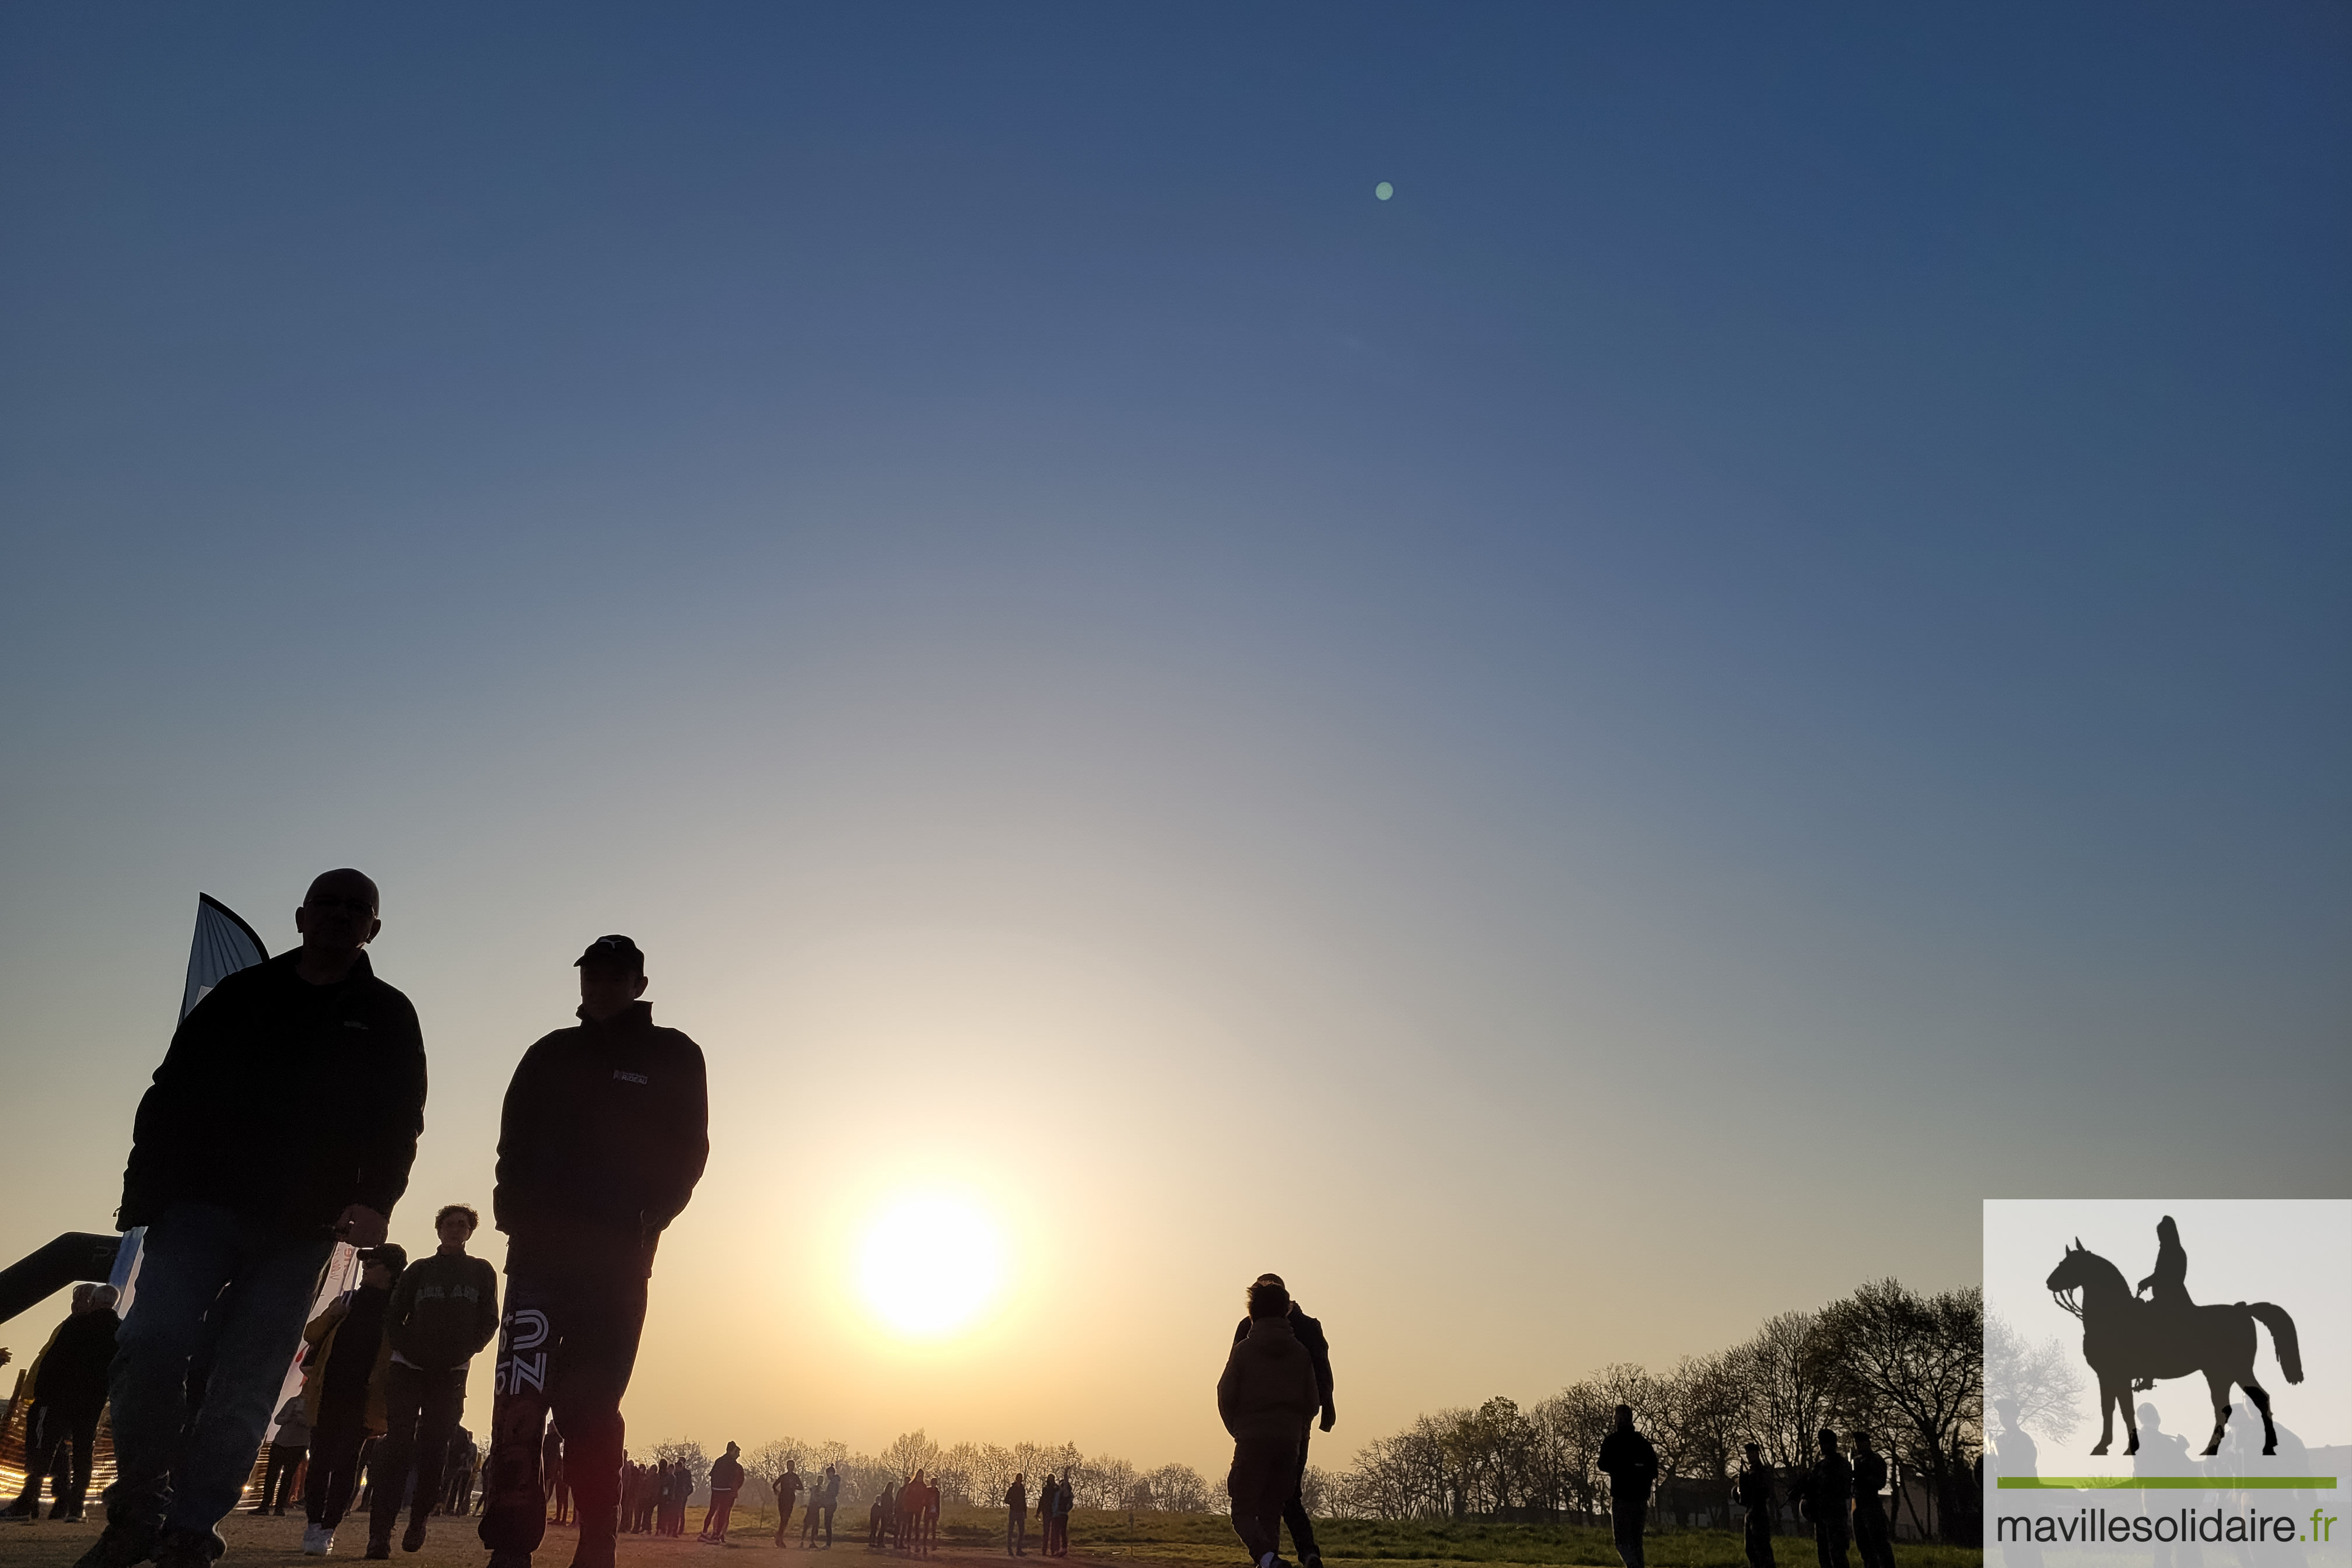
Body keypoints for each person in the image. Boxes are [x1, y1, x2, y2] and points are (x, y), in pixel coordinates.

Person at [78, 870, 427, 1568]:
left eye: (356, 909)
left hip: (303, 1231)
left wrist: (377, 1201)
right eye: (326, 904)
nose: (338, 915)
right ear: (301, 916)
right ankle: (138, 1508)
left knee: (248, 1383)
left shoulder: (388, 1014)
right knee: (148, 1347)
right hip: (199, 1209)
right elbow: (170, 1090)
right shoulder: (243, 996)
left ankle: (190, 1529)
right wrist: (143, 1189)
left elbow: (399, 1122)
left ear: (374, 929)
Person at [477, 935, 710, 1568]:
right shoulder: (549, 1053)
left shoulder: (675, 1055)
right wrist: (511, 1209)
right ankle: (510, 1542)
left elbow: (690, 1150)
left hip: (617, 1259)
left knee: (589, 1405)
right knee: (520, 1401)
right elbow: (513, 1140)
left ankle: (598, 1536)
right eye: (591, 977)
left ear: (637, 983)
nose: (600, 988)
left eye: (614, 978)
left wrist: (648, 1216)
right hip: (538, 1256)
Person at [366, 1205, 501, 1556]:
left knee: (434, 1448)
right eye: (449, 1224)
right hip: (409, 1368)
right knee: (397, 1445)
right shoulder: (419, 1271)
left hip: (451, 1372)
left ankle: (419, 1519)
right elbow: (395, 1316)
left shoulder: (481, 1271)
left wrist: (464, 1352)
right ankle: (380, 1532)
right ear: (438, 1229)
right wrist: (408, 1350)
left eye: (463, 1225)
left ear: (470, 1232)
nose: (456, 1230)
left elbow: (490, 1319)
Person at [303, 1246, 407, 1555]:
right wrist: (334, 1313)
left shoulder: (398, 1311)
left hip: (364, 1399)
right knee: (319, 1461)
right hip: (329, 1392)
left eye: (373, 1264)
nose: (365, 1268)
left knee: (347, 1463)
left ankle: (328, 1527)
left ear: (389, 1271)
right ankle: (312, 1523)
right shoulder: (347, 1300)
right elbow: (311, 1334)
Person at [1230, 1274, 1336, 1568]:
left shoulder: (1247, 1331)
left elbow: (1230, 1382)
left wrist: (1237, 1426)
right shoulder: (1308, 1330)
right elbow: (1320, 1376)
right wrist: (1319, 1413)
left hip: (1256, 1431)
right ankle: (1304, 1554)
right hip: (1294, 1430)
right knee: (1284, 1496)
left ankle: (1269, 1558)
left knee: (1252, 1502)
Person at [8, 1283, 121, 1522]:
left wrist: (42, 1394)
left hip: (59, 1399)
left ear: (92, 1301)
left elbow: (52, 1361)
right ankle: (76, 1507)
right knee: (83, 1453)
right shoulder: (119, 1331)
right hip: (92, 1403)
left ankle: (28, 1502)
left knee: (43, 1449)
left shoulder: (75, 1325)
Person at [1597, 1405, 1660, 1568]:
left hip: (1621, 1496)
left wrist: (1621, 1468)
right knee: (1637, 1542)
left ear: (1618, 1419)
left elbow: (1602, 1464)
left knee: (1622, 1542)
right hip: (1640, 1499)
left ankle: (1632, 1566)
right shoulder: (1643, 1443)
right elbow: (1654, 1469)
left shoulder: (1612, 1441)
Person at [1798, 1430, 1852, 1568]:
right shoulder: (1819, 1466)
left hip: (1835, 1517)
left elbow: (1844, 1490)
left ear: (1831, 1444)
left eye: (1823, 1443)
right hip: (1820, 1516)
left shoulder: (1842, 1465)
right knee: (1823, 1555)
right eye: (1820, 1443)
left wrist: (1824, 1487)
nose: (1821, 1446)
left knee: (1838, 1555)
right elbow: (1810, 1490)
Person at [257, 1396, 314, 1517]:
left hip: (299, 1444)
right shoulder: (293, 1401)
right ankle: (265, 1505)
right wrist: (288, 1417)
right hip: (280, 1441)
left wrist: (301, 1420)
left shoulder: (315, 1404)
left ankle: (280, 1507)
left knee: (288, 1476)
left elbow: (314, 1424)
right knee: (271, 1474)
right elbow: (277, 1419)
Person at [1847, 1433, 1892, 1568]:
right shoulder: (1854, 1461)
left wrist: (1863, 1478)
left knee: (1878, 1542)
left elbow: (1880, 1482)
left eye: (1861, 1442)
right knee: (1862, 1543)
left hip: (1870, 1502)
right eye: (1856, 1442)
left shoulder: (1875, 1459)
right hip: (1856, 1502)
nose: (1858, 1445)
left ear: (1868, 1443)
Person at [1735, 1443, 1776, 1568]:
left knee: (1762, 1548)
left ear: (1757, 1454)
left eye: (1752, 1453)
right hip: (1750, 1512)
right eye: (1748, 1454)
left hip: (1759, 1512)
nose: (1749, 1456)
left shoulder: (1763, 1472)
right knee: (1750, 1549)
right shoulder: (1748, 1473)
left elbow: (1765, 1492)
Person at [703, 1443, 746, 1543]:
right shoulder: (734, 1465)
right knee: (723, 1513)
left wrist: (714, 1487)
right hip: (727, 1491)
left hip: (716, 1489)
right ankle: (717, 1535)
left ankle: (705, 1532)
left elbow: (712, 1474)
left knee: (712, 1511)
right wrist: (732, 1488)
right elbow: (736, 1479)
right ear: (733, 1450)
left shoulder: (719, 1461)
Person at [774, 1461, 804, 1546]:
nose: (791, 1467)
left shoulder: (795, 1477)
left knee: (785, 1519)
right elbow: (774, 1485)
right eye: (790, 1465)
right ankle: (780, 1537)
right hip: (783, 1499)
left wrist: (795, 1487)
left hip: (790, 1500)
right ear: (787, 1466)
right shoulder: (784, 1477)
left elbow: (801, 1487)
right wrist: (777, 1492)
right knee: (783, 1518)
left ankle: (779, 1536)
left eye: (793, 1465)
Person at [544, 1425, 568, 1525]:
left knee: (560, 1495)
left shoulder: (551, 1439)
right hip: (554, 1470)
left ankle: (561, 1518)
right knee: (559, 1495)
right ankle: (559, 1518)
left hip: (554, 1471)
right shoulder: (550, 1440)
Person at [1003, 1473, 1027, 1557]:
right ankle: (1010, 1550)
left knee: (1021, 1532)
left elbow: (1024, 1501)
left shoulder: (1022, 1489)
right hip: (1013, 1511)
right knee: (1011, 1531)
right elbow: (1006, 1500)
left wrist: (1025, 1512)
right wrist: (1012, 1503)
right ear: (1017, 1479)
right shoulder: (1012, 1489)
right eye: (1019, 1478)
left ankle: (1018, 1550)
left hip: (1020, 1512)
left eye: (1021, 1478)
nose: (1020, 1479)